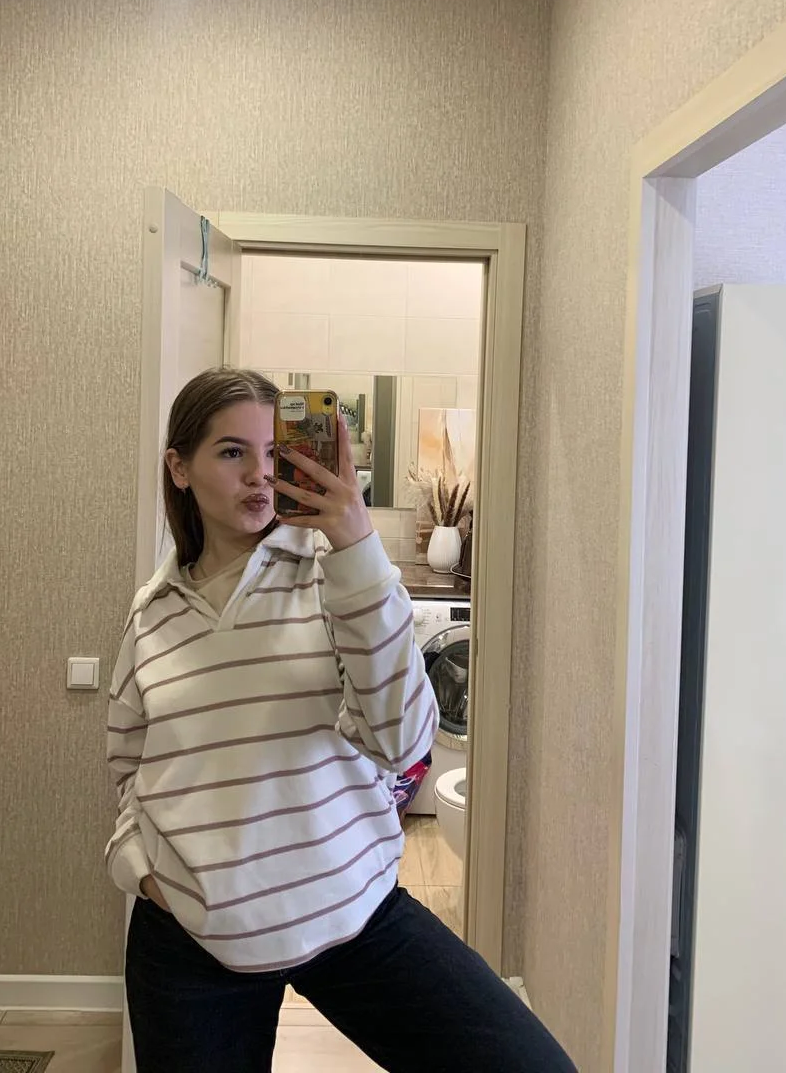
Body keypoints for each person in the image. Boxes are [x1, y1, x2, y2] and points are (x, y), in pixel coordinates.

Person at [106, 367, 576, 1072]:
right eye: (232, 452)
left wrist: (357, 544)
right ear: (180, 468)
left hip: (352, 913)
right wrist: (143, 871)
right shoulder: (153, 612)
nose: (260, 475)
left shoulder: (338, 572)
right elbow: (128, 766)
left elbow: (403, 742)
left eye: (276, 452)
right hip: (192, 940)